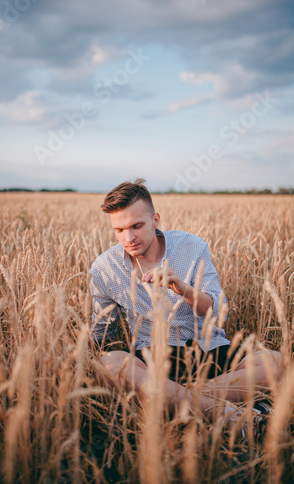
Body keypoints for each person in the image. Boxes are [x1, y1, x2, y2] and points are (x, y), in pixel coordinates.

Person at [89, 178, 281, 421]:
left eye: (137, 226)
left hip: (207, 351)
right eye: (119, 230)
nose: (129, 238)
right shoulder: (104, 268)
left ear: (155, 220)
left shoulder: (192, 247)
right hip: (152, 361)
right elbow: (102, 333)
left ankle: (178, 400)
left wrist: (183, 289)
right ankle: (228, 413)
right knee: (110, 365)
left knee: (276, 363)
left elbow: (217, 312)